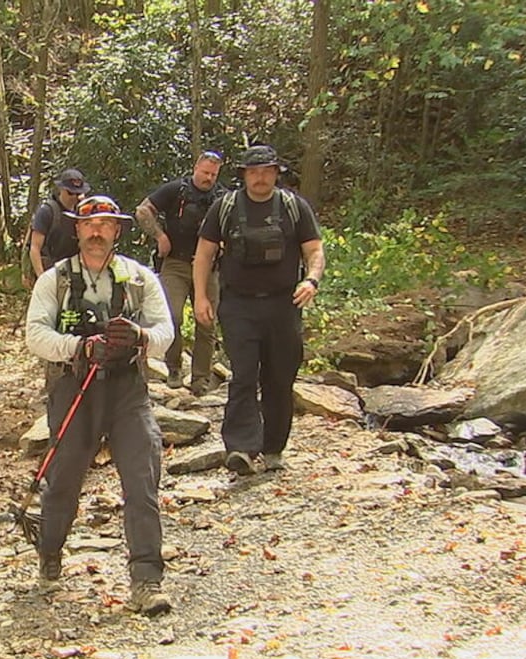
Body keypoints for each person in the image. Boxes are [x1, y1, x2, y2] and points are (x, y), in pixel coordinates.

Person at [24, 194, 176, 616]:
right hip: (74, 390)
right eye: (89, 225)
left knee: (142, 479)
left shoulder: (140, 278)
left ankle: (147, 580)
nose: (96, 233)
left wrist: (141, 338)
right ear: (76, 230)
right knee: (64, 480)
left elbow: (166, 332)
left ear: (117, 231)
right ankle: (49, 555)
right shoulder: (53, 280)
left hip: (128, 392)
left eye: (105, 225)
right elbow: (35, 335)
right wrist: (78, 346)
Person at [191, 144, 325, 475]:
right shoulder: (225, 207)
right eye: (254, 171)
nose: (260, 177)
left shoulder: (294, 207)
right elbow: (204, 254)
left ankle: (274, 447)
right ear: (244, 175)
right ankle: (240, 448)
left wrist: (311, 280)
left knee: (279, 378)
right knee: (244, 375)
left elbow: (315, 250)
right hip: (238, 304)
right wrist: (200, 297)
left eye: (267, 171)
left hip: (284, 304)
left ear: (276, 173)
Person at [135, 151, 228, 392]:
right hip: (176, 263)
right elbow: (143, 210)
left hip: (209, 268)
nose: (208, 178)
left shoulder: (223, 198)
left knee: (206, 323)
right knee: (171, 317)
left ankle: (201, 378)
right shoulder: (177, 190)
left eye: (213, 174)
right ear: (196, 168)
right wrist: (159, 235)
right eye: (205, 172)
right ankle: (174, 367)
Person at [24, 169, 91, 288]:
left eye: (78, 193)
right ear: (61, 189)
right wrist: (41, 278)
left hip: (74, 272)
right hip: (50, 271)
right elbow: (35, 248)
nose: (74, 197)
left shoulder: (81, 212)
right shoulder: (47, 211)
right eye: (70, 193)